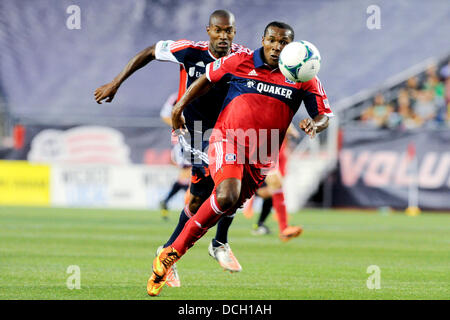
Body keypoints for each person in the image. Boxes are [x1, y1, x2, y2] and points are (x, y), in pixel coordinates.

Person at [147, 21, 333, 296]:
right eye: (272, 40)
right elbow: (206, 80)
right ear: (264, 39)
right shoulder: (241, 61)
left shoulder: (303, 75)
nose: (276, 46)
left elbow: (324, 114)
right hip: (227, 139)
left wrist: (315, 125)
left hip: (263, 153)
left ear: (290, 46)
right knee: (225, 195)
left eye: (283, 43)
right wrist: (180, 106)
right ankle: (174, 253)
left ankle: (185, 250)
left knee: (226, 205)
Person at [94, 10, 251, 285]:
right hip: (196, 131)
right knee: (219, 188)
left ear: (234, 32)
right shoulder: (190, 51)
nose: (224, 36)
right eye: (218, 30)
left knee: (218, 192)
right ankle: (208, 245)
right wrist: (115, 83)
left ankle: (182, 250)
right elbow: (149, 52)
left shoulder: (243, 56)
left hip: (229, 131)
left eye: (229, 31)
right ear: (209, 30)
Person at [159, 92, 191, 220]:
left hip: (198, 136)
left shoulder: (202, 90)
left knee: (187, 174)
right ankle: (189, 205)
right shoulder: (176, 96)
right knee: (189, 171)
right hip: (183, 140)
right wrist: (180, 127)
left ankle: (166, 201)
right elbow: (165, 115)